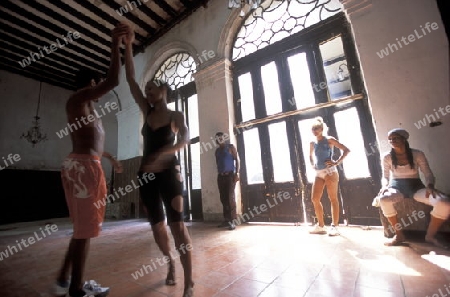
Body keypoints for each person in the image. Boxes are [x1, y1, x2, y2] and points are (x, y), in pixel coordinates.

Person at [54, 23, 127, 297]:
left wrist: (108, 157)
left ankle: (66, 276)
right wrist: (114, 45)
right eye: (97, 84)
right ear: (92, 84)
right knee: (85, 230)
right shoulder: (80, 98)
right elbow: (114, 81)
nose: (100, 89)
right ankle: (77, 288)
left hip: (88, 164)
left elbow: (92, 143)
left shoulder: (88, 110)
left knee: (82, 228)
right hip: (83, 167)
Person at [123, 24, 194, 297]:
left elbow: (185, 140)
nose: (148, 93)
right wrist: (128, 45)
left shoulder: (176, 116)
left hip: (169, 173)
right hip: (146, 176)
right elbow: (129, 79)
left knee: (177, 226)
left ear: (164, 90)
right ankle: (170, 265)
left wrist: (163, 155)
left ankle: (189, 281)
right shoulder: (146, 111)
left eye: (152, 89)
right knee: (157, 229)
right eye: (147, 90)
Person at [375, 128, 450, 247]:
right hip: (396, 187)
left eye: (395, 138)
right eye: (390, 139)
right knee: (383, 199)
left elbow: (428, 173)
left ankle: (430, 236)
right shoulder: (387, 157)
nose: (392, 141)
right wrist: (384, 186)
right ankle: (399, 235)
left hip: (416, 187)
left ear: (404, 139)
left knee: (444, 203)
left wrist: (430, 185)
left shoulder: (417, 154)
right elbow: (385, 176)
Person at [309, 117, 350, 236]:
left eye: (316, 128)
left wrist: (336, 162)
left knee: (333, 199)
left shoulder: (329, 140)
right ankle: (321, 226)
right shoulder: (312, 143)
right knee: (315, 199)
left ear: (322, 129)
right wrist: (312, 165)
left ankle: (335, 226)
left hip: (330, 172)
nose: (314, 131)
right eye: (313, 129)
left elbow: (346, 150)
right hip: (319, 172)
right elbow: (310, 156)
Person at [215, 132, 240, 231]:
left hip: (230, 176)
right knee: (223, 198)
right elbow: (218, 164)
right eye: (217, 138)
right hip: (221, 177)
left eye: (221, 138)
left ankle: (233, 221)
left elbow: (238, 160)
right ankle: (226, 220)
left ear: (224, 138)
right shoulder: (217, 151)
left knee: (230, 198)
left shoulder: (230, 147)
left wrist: (237, 173)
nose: (219, 139)